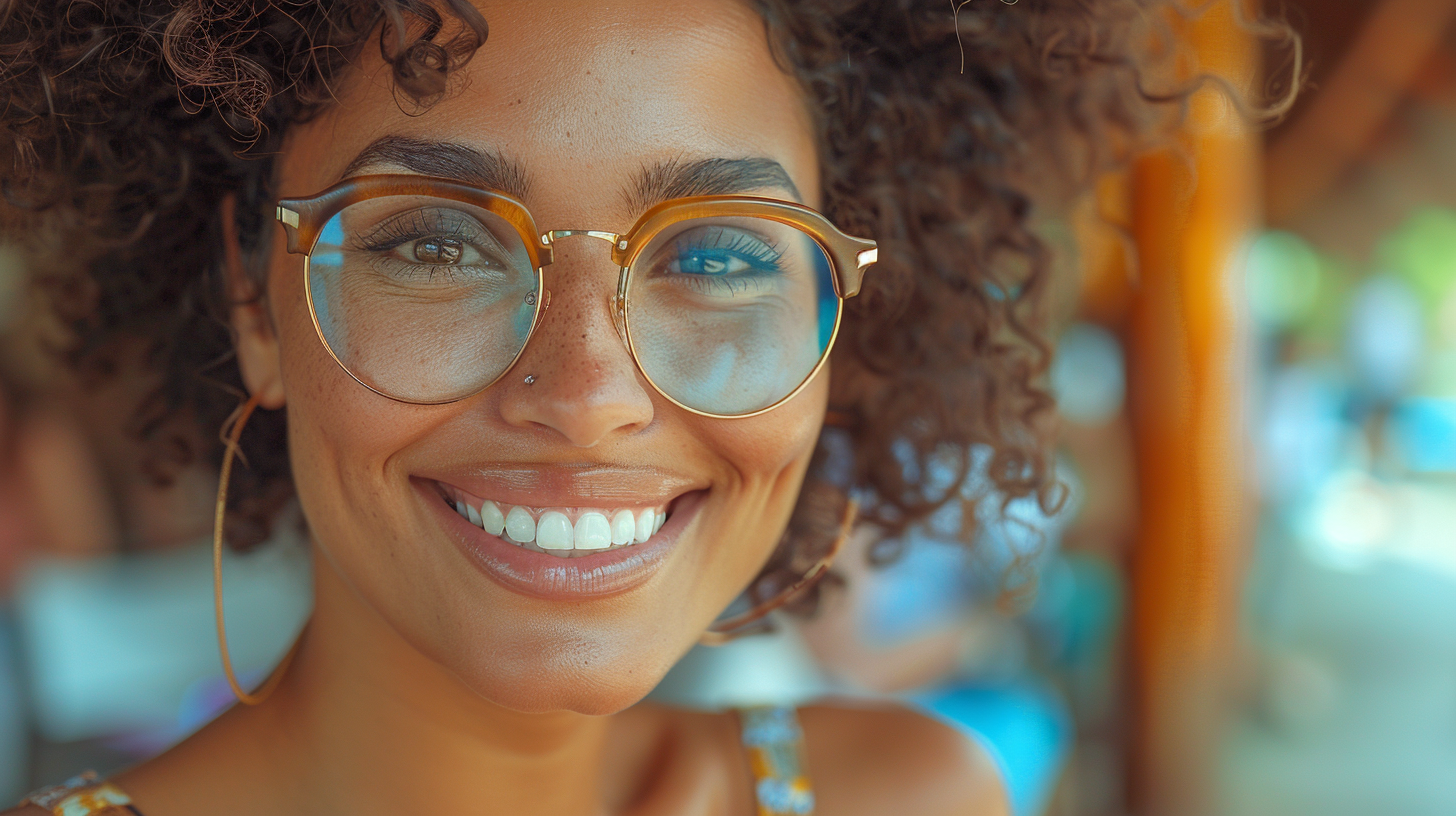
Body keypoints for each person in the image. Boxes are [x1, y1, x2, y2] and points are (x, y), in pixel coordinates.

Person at [0, 1, 1239, 813]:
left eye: (712, 256)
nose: (588, 396)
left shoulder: (914, 795)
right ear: (251, 301)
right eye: (436, 245)